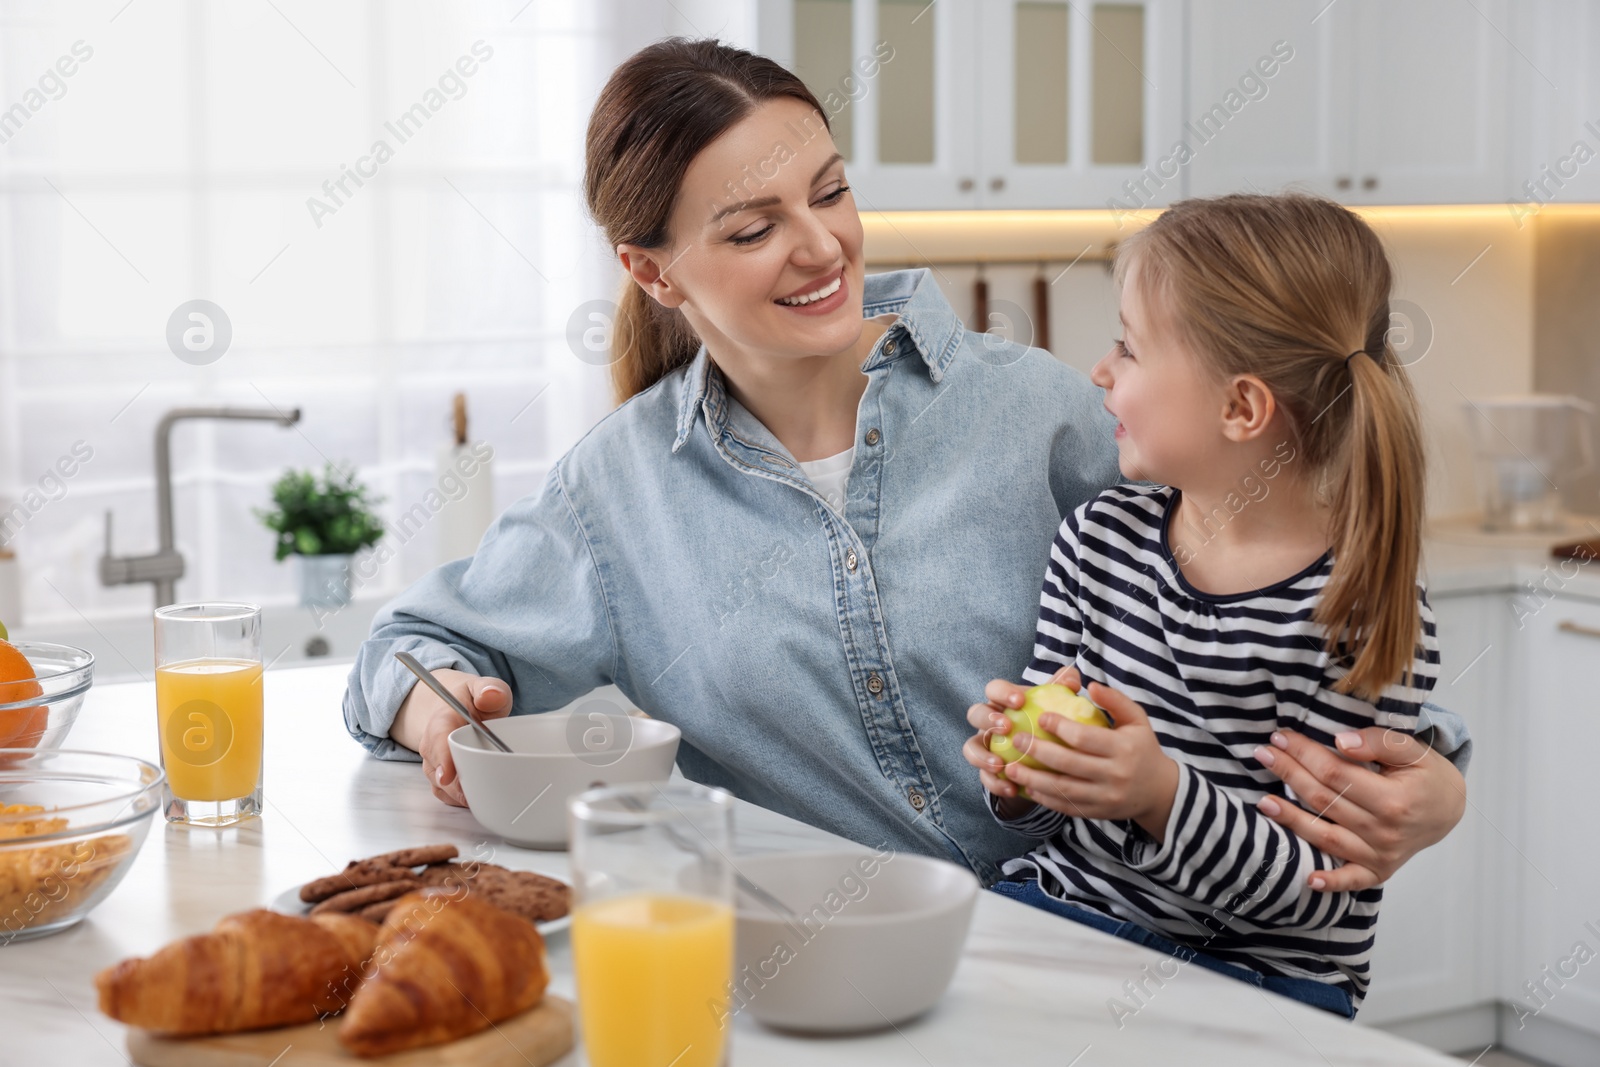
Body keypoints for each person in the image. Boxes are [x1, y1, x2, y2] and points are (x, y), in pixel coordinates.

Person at [342, 38, 1469, 891]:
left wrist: (1436, 779)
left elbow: (1293, 617)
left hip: (1101, 950)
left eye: (830, 192)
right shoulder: (617, 490)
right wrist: (444, 718)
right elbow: (404, 652)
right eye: (750, 229)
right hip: (824, 983)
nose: (821, 244)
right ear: (654, 272)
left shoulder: (1044, 415)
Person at [964, 194, 1439, 1017]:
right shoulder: (1099, 536)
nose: (1101, 371)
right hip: (1067, 916)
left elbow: (1321, 892)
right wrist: (1021, 774)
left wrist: (1157, 792)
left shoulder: (1355, 613)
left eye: (1128, 347)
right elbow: (1041, 815)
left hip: (1258, 981)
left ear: (1241, 408)